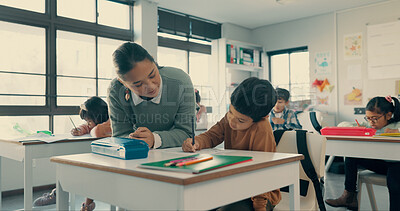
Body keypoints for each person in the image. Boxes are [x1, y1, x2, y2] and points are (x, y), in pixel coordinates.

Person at [182, 77, 281, 211]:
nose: (232, 122)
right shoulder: (231, 119)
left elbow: (262, 172)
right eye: (230, 112)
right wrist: (196, 142)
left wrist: (260, 206)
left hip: (261, 195)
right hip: (234, 186)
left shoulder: (262, 130)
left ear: (259, 119)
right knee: (196, 203)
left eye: (241, 120)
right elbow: (212, 136)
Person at [108, 42, 195, 149]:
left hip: (176, 153)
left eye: (152, 75)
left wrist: (154, 139)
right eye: (138, 84)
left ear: (154, 61)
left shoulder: (180, 81)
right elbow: (119, 136)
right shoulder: (115, 91)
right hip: (136, 157)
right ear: (123, 82)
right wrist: (136, 140)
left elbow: (188, 133)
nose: (151, 87)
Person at [33, 96, 111, 211]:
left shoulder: (110, 123)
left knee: (87, 169)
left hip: (109, 163)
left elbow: (97, 131)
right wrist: (81, 129)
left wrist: (89, 128)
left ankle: (61, 193)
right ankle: (64, 194)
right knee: (72, 164)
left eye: (89, 121)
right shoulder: (99, 124)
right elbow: (91, 128)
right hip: (101, 161)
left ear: (98, 116)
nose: (88, 124)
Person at [325, 96, 400, 211]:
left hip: (396, 165)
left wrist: (397, 131)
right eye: (368, 118)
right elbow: (342, 124)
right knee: (351, 155)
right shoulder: (369, 126)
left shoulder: (396, 125)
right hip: (381, 163)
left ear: (389, 115)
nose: (371, 122)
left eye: (375, 118)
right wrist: (356, 128)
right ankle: (349, 196)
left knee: (394, 183)